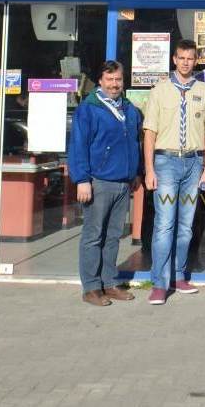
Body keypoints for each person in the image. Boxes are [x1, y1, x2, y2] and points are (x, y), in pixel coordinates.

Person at [142, 39, 205, 305]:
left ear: (196, 61)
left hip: (194, 164)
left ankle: (179, 275)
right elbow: (149, 132)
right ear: (174, 59)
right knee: (164, 224)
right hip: (166, 163)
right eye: (181, 58)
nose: (186, 62)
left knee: (186, 226)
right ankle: (159, 283)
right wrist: (149, 169)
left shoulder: (204, 91)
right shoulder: (159, 91)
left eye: (190, 58)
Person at [68, 60, 143, 307]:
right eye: (109, 79)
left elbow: (135, 143)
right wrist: (82, 180)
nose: (114, 84)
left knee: (113, 237)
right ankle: (91, 287)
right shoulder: (89, 108)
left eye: (118, 79)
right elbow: (78, 145)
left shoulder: (129, 109)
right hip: (98, 182)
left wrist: (136, 172)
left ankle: (109, 283)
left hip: (123, 183)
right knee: (93, 236)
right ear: (100, 81)